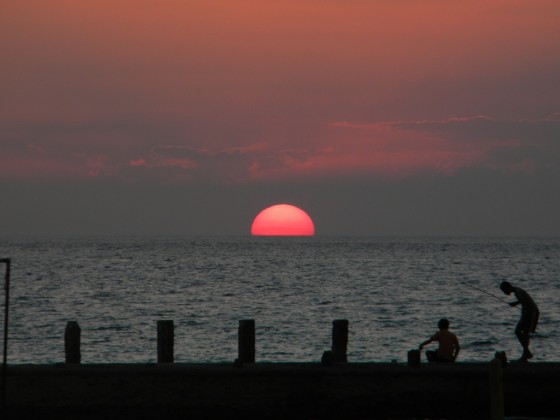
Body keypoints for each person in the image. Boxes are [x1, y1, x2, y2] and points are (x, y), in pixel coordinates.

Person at [500, 281, 539, 362]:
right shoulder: (518, 290)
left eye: (504, 290)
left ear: (508, 287)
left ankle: (526, 353)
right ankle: (526, 354)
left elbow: (522, 301)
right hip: (530, 312)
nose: (504, 293)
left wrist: (514, 303)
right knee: (524, 334)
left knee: (519, 332)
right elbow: (524, 303)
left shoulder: (517, 292)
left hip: (530, 313)